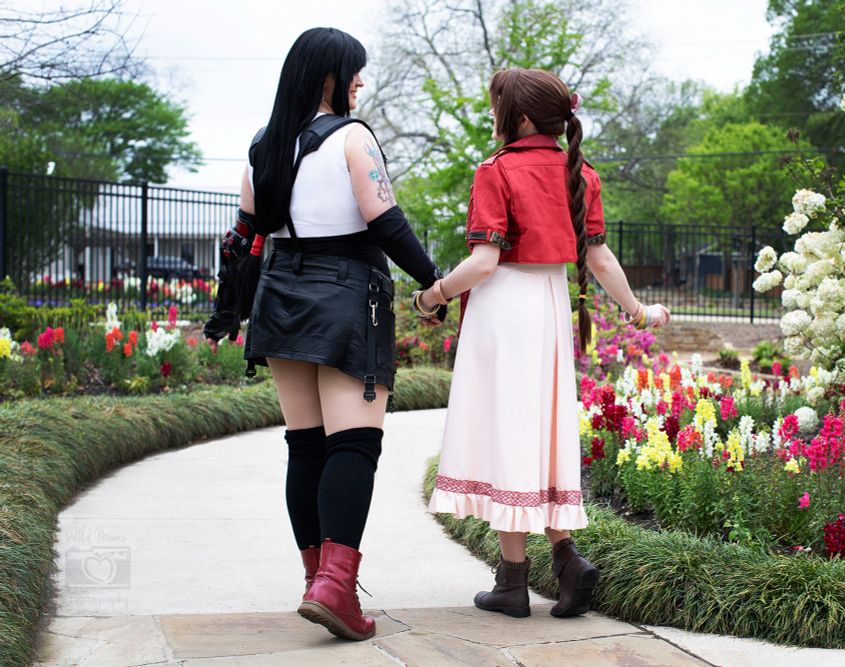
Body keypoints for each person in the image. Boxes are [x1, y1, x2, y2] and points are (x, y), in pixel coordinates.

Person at [204, 27, 444, 641]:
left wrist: (230, 311)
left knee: (306, 445)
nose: (360, 82)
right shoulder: (352, 139)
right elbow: (385, 221)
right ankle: (336, 589)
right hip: (344, 297)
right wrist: (435, 283)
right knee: (353, 446)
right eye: (354, 71)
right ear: (329, 77)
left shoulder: (263, 144)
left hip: (279, 296)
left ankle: (317, 579)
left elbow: (246, 233)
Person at [421, 68, 670, 619]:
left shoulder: (496, 171)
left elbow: (484, 262)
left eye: (497, 107)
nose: (492, 116)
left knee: (510, 434)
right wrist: (639, 311)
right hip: (551, 306)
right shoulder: (581, 174)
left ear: (523, 117)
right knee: (543, 433)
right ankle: (566, 562)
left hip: (503, 310)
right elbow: (600, 259)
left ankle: (513, 582)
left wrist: (432, 295)